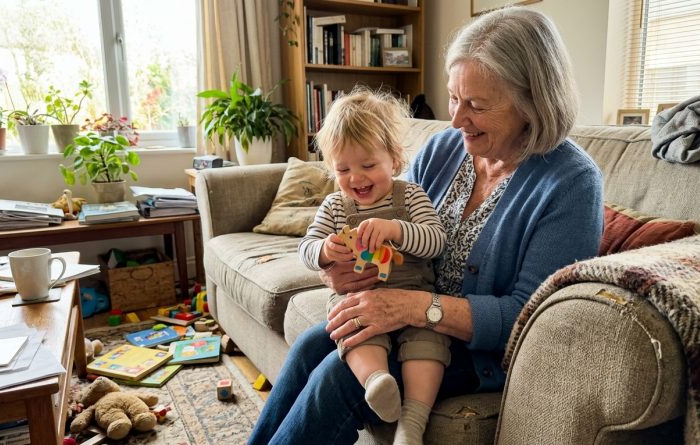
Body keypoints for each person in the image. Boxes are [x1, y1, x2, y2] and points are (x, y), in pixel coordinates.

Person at [248, 7, 604, 445]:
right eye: (454, 98)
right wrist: (340, 268)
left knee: (339, 377)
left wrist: (416, 307)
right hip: (404, 320)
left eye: (476, 105)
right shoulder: (444, 149)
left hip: (475, 349)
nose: (455, 120)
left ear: (533, 100)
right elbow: (388, 222)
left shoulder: (571, 184)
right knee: (309, 347)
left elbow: (532, 318)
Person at [297, 87, 449, 444]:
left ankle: (412, 424)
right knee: (356, 336)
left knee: (427, 346)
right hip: (358, 299)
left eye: (368, 165)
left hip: (413, 296)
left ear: (394, 161)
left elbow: (436, 239)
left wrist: (396, 229)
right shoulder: (334, 207)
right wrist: (325, 250)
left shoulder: (410, 196)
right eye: (343, 169)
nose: (356, 178)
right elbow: (305, 248)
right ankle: (376, 382)